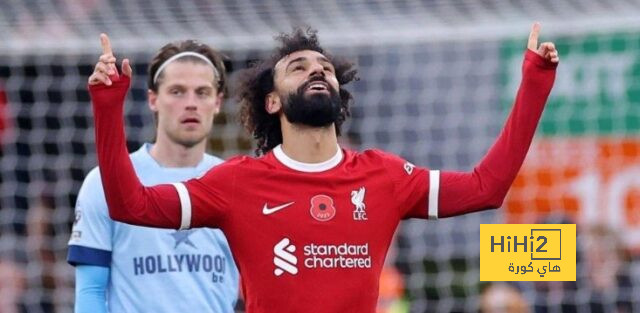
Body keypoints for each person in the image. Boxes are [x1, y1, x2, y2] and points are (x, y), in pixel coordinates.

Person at [86, 23, 559, 312]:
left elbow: (487, 187)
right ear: (272, 101)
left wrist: (534, 84)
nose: (317, 70)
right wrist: (107, 107)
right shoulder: (237, 183)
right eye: (298, 67)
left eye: (325, 68)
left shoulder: (385, 176)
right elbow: (132, 204)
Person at [67, 36, 239, 313]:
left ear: (218, 102)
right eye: (177, 91)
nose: (191, 103)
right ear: (152, 100)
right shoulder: (103, 183)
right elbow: (91, 291)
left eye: (202, 92)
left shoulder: (236, 182)